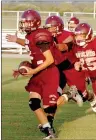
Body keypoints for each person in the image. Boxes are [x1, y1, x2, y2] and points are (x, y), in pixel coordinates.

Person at [6, 10, 82, 139]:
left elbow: (50, 60)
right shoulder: (31, 35)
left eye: (26, 22)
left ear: (34, 23)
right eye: (23, 23)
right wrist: (15, 41)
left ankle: (69, 95)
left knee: (49, 107)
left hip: (49, 72)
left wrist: (33, 71)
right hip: (40, 71)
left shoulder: (41, 36)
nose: (23, 25)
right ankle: (49, 131)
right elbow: (28, 43)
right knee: (33, 103)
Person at [44, 15, 96, 112]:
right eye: (47, 27)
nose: (48, 29)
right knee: (53, 96)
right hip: (58, 69)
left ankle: (91, 97)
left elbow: (64, 47)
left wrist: (53, 45)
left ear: (57, 26)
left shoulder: (70, 35)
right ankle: (48, 121)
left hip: (71, 67)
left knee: (83, 95)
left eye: (50, 27)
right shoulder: (46, 36)